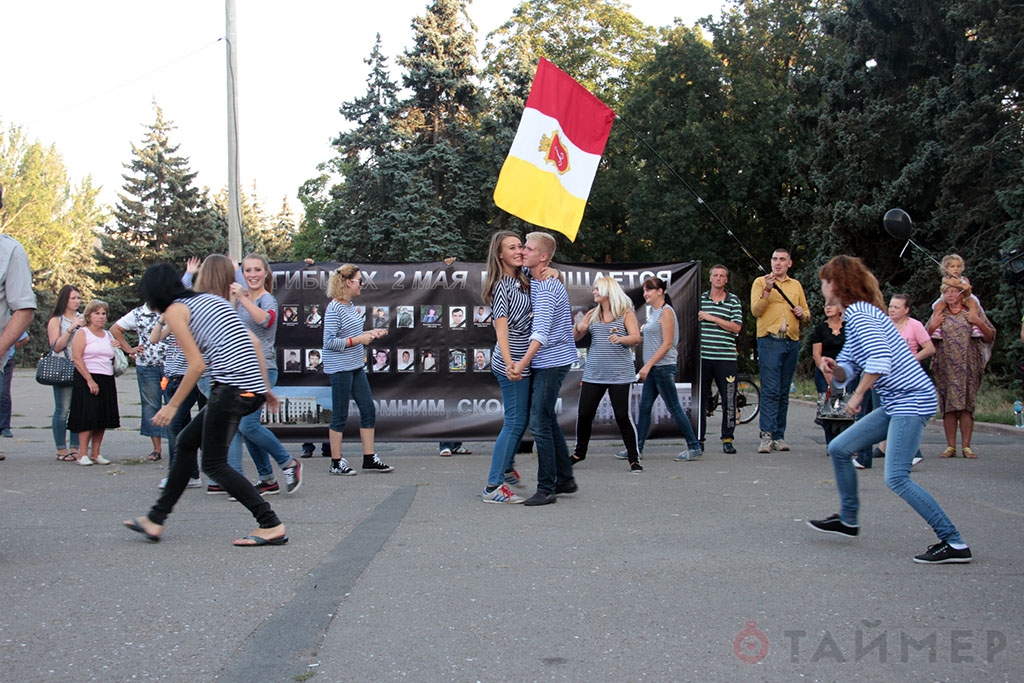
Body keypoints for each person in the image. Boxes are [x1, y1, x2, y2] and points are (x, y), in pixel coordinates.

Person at [809, 255, 972, 564]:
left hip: (911, 399)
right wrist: (835, 369)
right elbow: (849, 366)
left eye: (823, 281)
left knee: (896, 476)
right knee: (841, 447)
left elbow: (880, 360)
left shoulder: (860, 315)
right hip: (899, 401)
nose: (821, 286)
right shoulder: (858, 315)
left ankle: (954, 541)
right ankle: (848, 519)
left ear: (835, 284)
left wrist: (857, 397)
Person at [123, 261, 287, 547]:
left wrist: (173, 406)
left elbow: (196, 365)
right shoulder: (210, 300)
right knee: (186, 442)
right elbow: (252, 340)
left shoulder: (175, 311)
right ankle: (156, 518)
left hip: (230, 389)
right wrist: (264, 389)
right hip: (246, 389)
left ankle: (270, 524)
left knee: (213, 464)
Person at [225, 254, 303, 495]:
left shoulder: (267, 300)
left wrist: (243, 298)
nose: (252, 275)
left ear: (266, 273)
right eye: (248, 270)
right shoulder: (239, 299)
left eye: (257, 270)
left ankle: (288, 462)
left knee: (248, 426)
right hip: (239, 369)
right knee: (243, 427)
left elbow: (265, 321)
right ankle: (267, 479)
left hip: (263, 369)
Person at [512, 231, 578, 506]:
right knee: (547, 419)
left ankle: (547, 488)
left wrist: (521, 364)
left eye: (528, 248)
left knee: (538, 421)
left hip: (552, 361)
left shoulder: (549, 287)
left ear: (543, 257)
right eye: (523, 247)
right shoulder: (535, 280)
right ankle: (565, 479)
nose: (523, 251)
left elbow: (541, 332)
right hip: (545, 360)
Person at [322, 264, 394, 476]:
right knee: (340, 415)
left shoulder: (350, 306)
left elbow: (352, 334)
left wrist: (371, 333)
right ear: (347, 283)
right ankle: (336, 462)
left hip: (355, 366)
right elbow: (329, 342)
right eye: (359, 281)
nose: (362, 284)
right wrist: (358, 339)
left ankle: (369, 458)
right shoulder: (334, 308)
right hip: (340, 368)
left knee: (368, 410)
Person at [480, 231, 533, 500]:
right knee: (514, 422)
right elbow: (501, 329)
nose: (519, 250)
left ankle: (508, 465)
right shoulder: (502, 285)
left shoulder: (523, 279)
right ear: (500, 254)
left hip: (524, 360)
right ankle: (492, 486)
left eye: (521, 246)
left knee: (520, 419)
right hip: (510, 362)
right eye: (512, 247)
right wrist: (512, 363)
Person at [571, 277, 642, 471]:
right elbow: (575, 336)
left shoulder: (625, 313)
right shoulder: (593, 313)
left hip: (620, 374)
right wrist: (580, 327)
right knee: (584, 414)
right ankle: (579, 453)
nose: (593, 292)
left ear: (608, 292)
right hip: (593, 373)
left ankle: (634, 458)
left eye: (597, 289)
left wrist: (621, 338)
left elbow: (636, 338)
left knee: (622, 416)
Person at [633, 276, 703, 462]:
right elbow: (650, 340)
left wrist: (647, 365)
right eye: (644, 290)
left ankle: (694, 446)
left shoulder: (666, 312)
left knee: (674, 407)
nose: (645, 293)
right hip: (656, 368)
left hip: (662, 368)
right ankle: (636, 448)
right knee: (645, 407)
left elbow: (667, 344)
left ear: (660, 291)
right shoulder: (655, 313)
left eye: (649, 289)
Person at [926, 283, 995, 458]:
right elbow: (924, 338)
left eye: (954, 291)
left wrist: (978, 321)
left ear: (961, 294)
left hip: (968, 366)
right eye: (946, 292)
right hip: (945, 366)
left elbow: (990, 335)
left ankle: (966, 446)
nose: (949, 295)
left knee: (966, 406)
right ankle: (950, 446)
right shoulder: (939, 313)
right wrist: (933, 326)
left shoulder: (971, 311)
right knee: (948, 406)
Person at [751, 248, 809, 453]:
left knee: (784, 390)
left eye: (782, 260)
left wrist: (803, 313)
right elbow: (756, 311)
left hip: (791, 341)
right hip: (769, 340)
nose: (777, 263)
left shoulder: (796, 285)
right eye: (774, 259)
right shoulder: (760, 282)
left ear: (789, 264)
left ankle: (779, 435)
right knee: (770, 389)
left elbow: (807, 313)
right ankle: (766, 435)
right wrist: (767, 291)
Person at [867, 294, 935, 466]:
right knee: (881, 411)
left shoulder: (915, 326)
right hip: (884, 374)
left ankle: (913, 452)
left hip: (906, 376)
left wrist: (913, 359)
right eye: (890, 306)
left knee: (901, 412)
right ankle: (884, 447)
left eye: (896, 307)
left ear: (906, 310)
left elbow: (929, 348)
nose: (891, 310)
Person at [111, 302, 168, 461]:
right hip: (147, 365)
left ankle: (177, 445)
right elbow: (115, 329)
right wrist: (129, 349)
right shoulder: (138, 313)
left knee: (174, 404)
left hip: (171, 364)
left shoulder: (171, 308)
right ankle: (156, 449)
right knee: (151, 405)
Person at [68, 300, 122, 466]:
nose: (101, 317)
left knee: (102, 416)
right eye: (97, 313)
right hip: (87, 376)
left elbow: (112, 356)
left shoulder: (108, 335)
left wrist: (116, 348)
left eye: (103, 314)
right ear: (89, 316)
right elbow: (76, 358)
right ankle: (82, 453)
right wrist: (89, 380)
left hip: (106, 376)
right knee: (88, 415)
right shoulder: (83, 333)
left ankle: (96, 453)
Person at [698, 264, 743, 454]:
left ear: (726, 280)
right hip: (703, 357)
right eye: (715, 275)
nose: (718, 278)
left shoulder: (733, 301)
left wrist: (712, 318)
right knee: (699, 400)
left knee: (729, 399)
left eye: (722, 275)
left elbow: (736, 327)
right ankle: (698, 438)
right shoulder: (700, 300)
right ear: (710, 278)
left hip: (726, 358)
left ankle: (727, 438)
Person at [46, 285, 83, 461]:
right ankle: (61, 448)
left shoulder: (82, 318)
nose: (77, 301)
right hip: (62, 367)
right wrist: (71, 328)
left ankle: (75, 447)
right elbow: (56, 346)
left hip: (81, 367)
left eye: (78, 298)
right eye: (73, 298)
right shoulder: (57, 320)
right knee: (63, 409)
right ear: (65, 300)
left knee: (78, 409)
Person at [810, 302, 846, 448]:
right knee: (827, 406)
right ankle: (830, 442)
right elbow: (816, 354)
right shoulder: (820, 329)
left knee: (846, 405)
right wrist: (826, 373)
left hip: (845, 371)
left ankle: (845, 441)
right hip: (824, 369)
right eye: (825, 305)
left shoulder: (850, 327)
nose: (828, 308)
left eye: (832, 305)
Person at [932, 254, 980, 321]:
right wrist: (961, 285)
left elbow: (968, 293)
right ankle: (937, 324)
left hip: (963, 297)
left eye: (958, 266)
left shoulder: (965, 279)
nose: (956, 269)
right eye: (952, 266)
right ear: (946, 269)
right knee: (938, 306)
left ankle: (974, 321)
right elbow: (950, 283)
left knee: (973, 303)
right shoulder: (945, 279)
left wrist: (967, 289)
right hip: (947, 298)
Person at [0, 331, 29, 437]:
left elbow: (25, 338)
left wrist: (10, 348)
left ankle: (4, 426)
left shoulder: (9, 320)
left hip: (6, 361)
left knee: (4, 392)